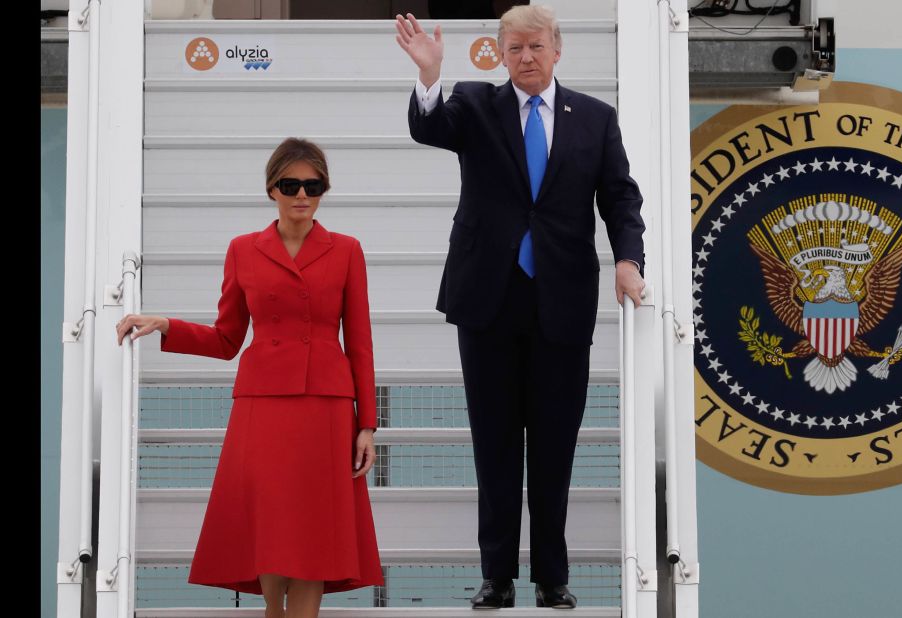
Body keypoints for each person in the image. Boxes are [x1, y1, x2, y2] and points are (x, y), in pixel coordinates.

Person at [394, 5, 645, 609]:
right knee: (495, 443)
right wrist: (429, 76)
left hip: (561, 298)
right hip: (489, 299)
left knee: (556, 445)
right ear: (500, 54)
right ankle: (497, 575)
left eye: (535, 47)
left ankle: (552, 577)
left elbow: (619, 196)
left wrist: (628, 259)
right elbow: (431, 129)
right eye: (514, 49)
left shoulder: (594, 117)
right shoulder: (477, 104)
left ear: (557, 49)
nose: (525, 58)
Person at [116, 138, 383, 618]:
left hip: (327, 405)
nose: (302, 194)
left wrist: (367, 424)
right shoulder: (243, 250)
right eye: (291, 184)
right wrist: (167, 325)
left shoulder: (346, 251)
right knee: (271, 522)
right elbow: (225, 339)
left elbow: (359, 342)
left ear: (324, 189)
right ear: (271, 189)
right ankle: (273, 613)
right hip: (262, 404)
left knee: (314, 529)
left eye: (313, 185)